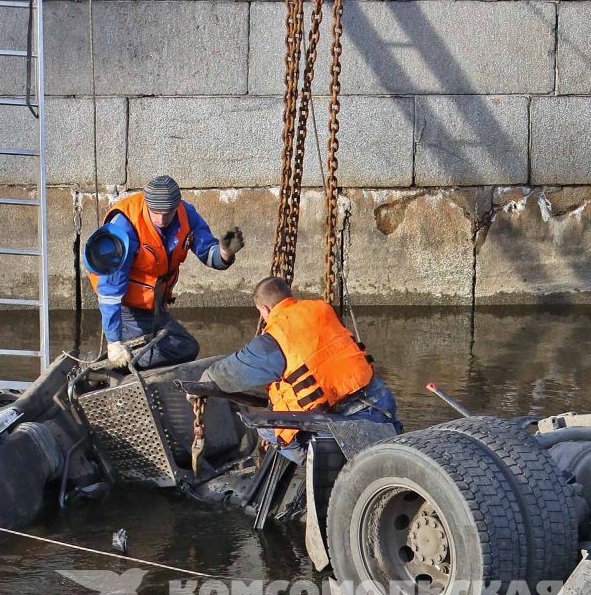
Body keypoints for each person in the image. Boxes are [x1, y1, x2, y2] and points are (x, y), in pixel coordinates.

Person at [200, 275, 399, 445]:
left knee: (268, 430)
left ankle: (312, 468)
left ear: (265, 310)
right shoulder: (322, 309)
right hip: (380, 399)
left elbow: (230, 373)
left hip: (343, 419)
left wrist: (204, 379)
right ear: (289, 296)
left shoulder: (274, 337)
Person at [87, 174, 244, 369]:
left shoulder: (186, 214)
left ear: (176, 207)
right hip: (127, 308)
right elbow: (109, 291)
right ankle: (113, 368)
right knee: (183, 348)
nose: (162, 219)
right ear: (147, 205)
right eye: (156, 213)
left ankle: (130, 364)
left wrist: (224, 253)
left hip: (155, 304)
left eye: (168, 213)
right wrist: (113, 342)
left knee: (185, 346)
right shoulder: (125, 226)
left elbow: (207, 253)